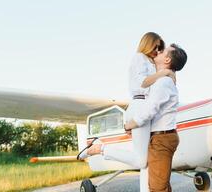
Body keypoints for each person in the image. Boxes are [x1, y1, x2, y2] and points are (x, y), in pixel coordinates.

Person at [79, 32, 175, 191]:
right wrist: (165, 73)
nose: (157, 50)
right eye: (155, 46)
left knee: (147, 162)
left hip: (146, 107)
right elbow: (143, 84)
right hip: (140, 105)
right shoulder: (139, 58)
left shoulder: (152, 63)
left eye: (160, 48)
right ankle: (100, 148)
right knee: (141, 161)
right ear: (147, 43)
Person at [125, 44, 187, 192]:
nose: (158, 51)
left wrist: (130, 124)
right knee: (161, 185)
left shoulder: (163, 82)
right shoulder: (164, 79)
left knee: (158, 188)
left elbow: (150, 109)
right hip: (162, 137)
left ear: (166, 59)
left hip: (161, 139)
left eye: (162, 50)